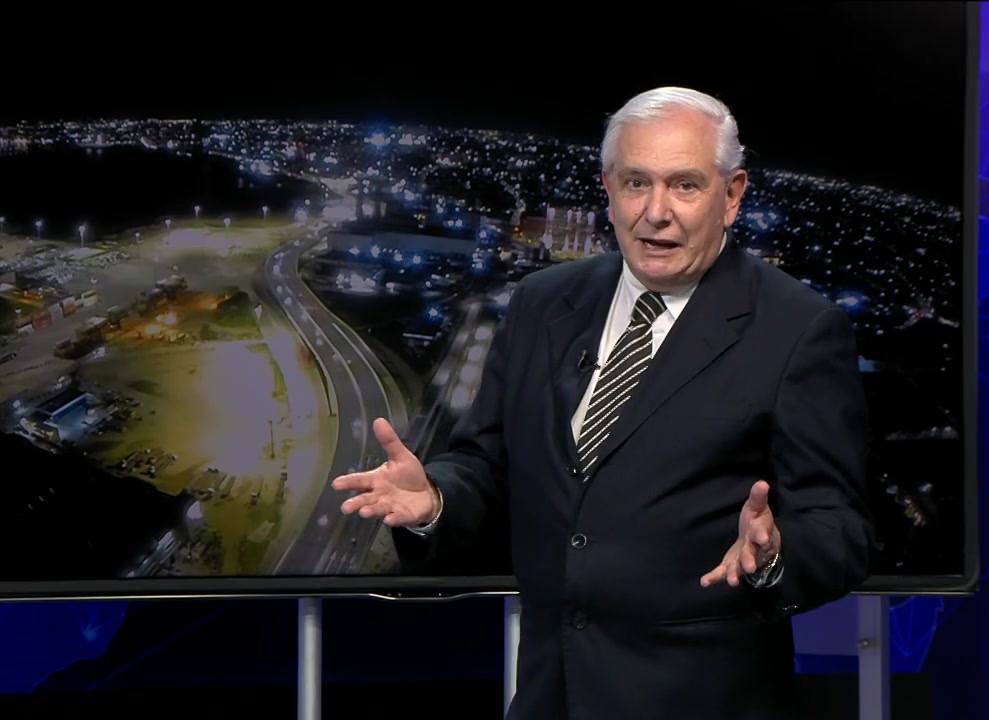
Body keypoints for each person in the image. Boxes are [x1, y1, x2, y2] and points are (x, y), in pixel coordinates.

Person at [332, 86, 874, 720]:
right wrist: (436, 500)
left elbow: (840, 525)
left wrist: (775, 556)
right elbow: (487, 463)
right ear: (609, 190)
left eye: (685, 185)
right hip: (550, 696)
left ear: (732, 196)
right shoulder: (541, 303)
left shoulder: (797, 328)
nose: (656, 212)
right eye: (637, 183)